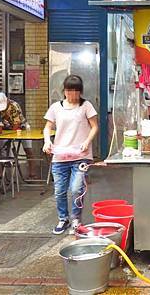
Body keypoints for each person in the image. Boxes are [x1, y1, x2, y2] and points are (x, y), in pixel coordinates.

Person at [43, 75, 98, 235]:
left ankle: (76, 219)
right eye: (68, 91)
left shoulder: (86, 106)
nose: (72, 94)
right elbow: (47, 127)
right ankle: (63, 219)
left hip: (81, 155)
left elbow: (94, 126)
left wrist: (87, 141)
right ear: (64, 91)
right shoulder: (56, 107)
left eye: (75, 91)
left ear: (80, 92)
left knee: (76, 189)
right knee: (59, 190)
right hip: (60, 156)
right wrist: (47, 141)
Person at [0, 92, 37, 178]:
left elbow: (16, 124)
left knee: (28, 149)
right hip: (2, 130)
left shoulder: (14, 105)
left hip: (20, 128)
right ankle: (0, 174)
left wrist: (10, 137)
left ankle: (32, 172)